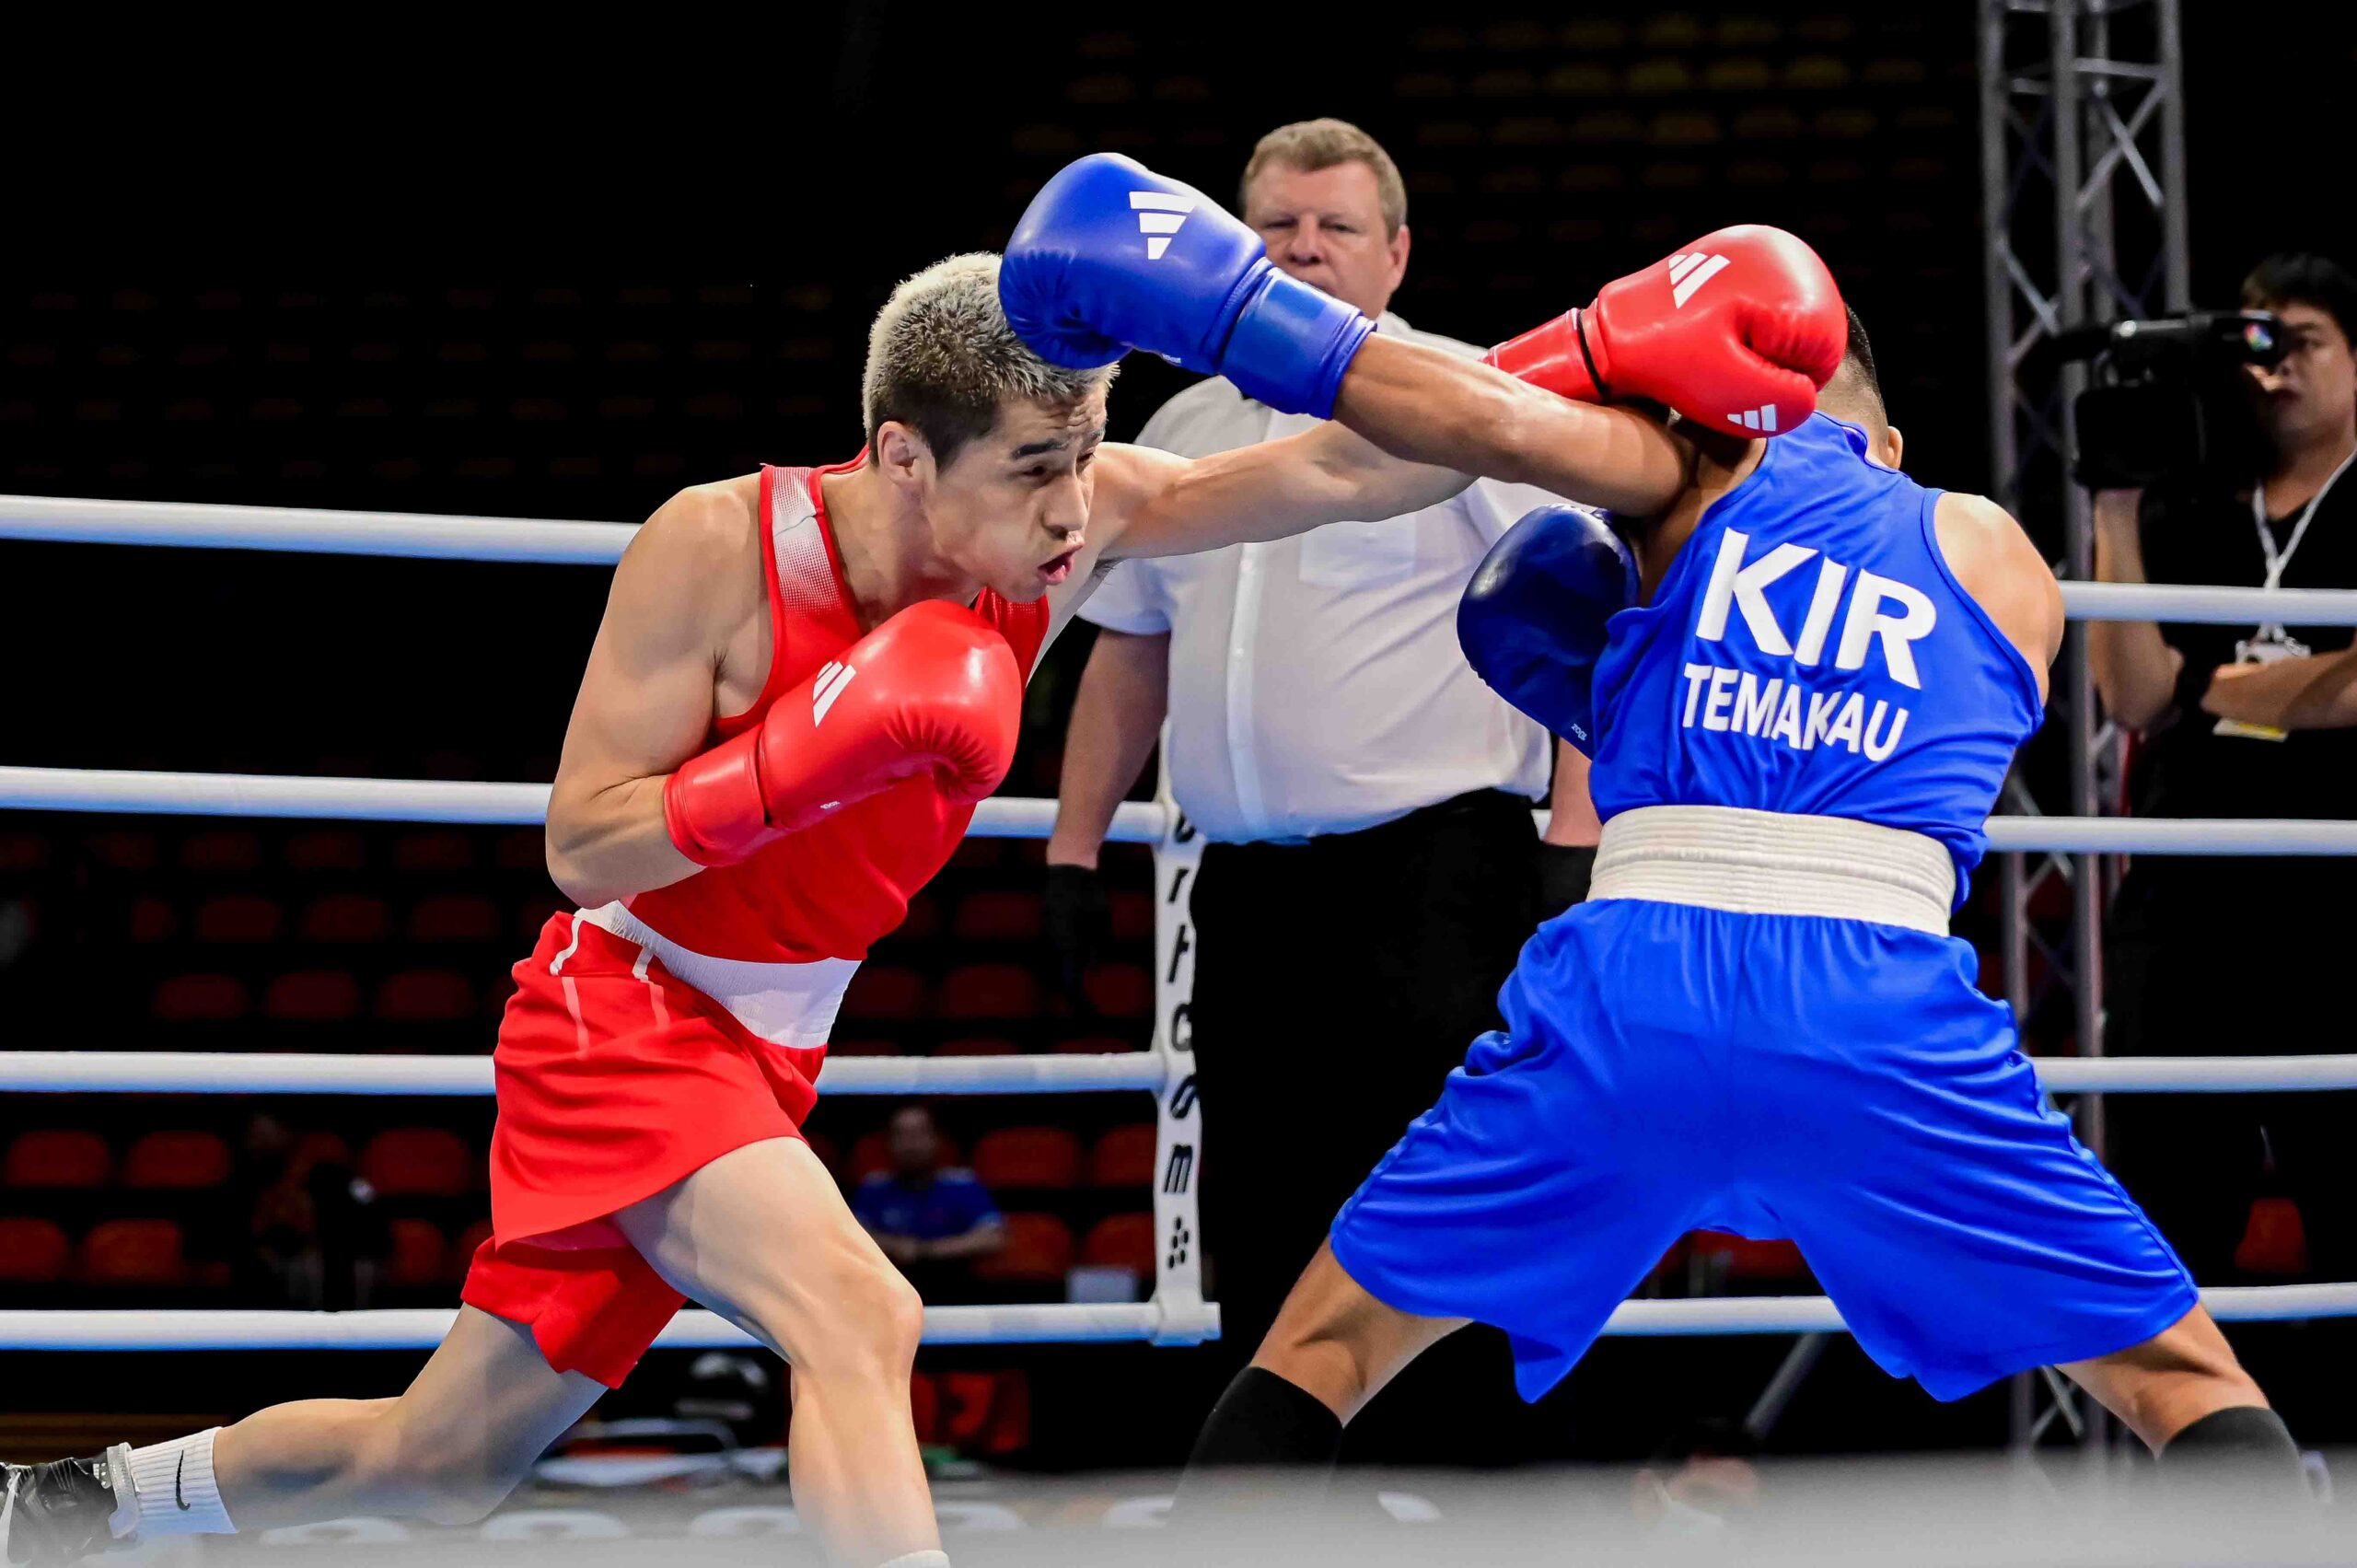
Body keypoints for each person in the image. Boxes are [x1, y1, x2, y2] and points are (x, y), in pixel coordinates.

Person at [0, 224, 1788, 1568]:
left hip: (771, 1044)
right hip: (629, 1011)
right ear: (898, 455)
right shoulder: (716, 545)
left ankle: (100, 1497)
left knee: (441, 1451)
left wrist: (1556, 366)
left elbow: (1336, 465)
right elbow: (582, 839)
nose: (1071, 507)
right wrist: (802, 751)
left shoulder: (1063, 521)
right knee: (862, 1316)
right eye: (1033, 469)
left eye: (1085, 458)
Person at [986, 153, 2307, 1504]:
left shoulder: (1690, 478)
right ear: (1891, 442)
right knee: (2180, 1381)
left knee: (1325, 1344)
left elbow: (1472, 430)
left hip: (1639, 989)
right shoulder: (2000, 560)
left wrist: (1227, 303)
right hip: (1880, 1007)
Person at [1044, 118, 1596, 1460]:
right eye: (1275, 227)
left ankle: (1471, 1496)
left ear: (1395, 253)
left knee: (1444, 1189)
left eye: (1333, 227)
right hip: (1244, 883)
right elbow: (1132, 651)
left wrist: (1570, 850)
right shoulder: (1183, 421)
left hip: (1436, 870)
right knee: (1271, 1190)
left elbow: (1586, 617)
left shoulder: (1465, 397)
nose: (1301, 248)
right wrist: (1072, 852)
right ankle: (1285, 1506)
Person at [2088, 254, 2357, 1314]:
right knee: (2166, 1217)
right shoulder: (2191, 501)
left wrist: (2210, 679)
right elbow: (2133, 693)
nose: (2274, 365)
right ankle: (2185, 1469)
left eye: (2302, 341)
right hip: (2189, 898)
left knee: (2346, 1200)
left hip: (2335, 906)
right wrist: (2113, 507)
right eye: (2253, 342)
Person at [851, 1105, 1005, 1299]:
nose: (911, 1144)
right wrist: (896, 1246)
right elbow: (850, 1239)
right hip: (886, 1294)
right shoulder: (874, 1188)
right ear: (888, 1142)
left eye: (919, 1134)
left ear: (936, 1139)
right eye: (902, 1135)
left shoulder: (962, 1184)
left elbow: (993, 1238)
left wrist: (926, 1250)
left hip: (955, 1290)